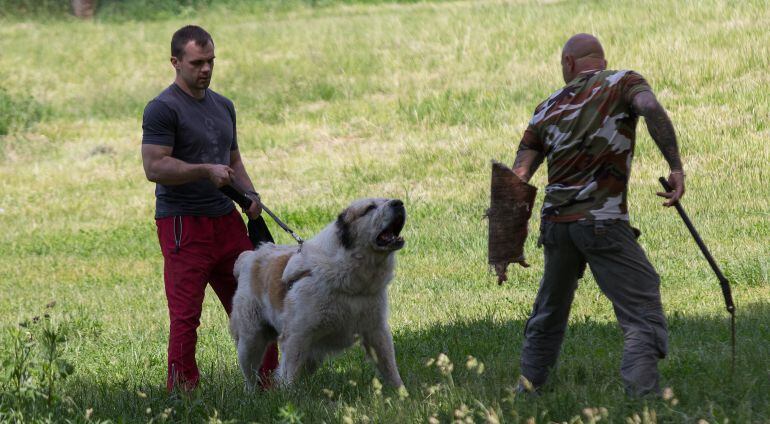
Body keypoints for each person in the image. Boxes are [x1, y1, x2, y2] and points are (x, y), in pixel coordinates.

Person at [511, 33, 685, 396]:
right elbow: (651, 108)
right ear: (601, 61)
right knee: (641, 304)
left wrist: (504, 248)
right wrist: (676, 169)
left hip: (557, 228)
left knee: (550, 310)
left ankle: (528, 388)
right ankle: (645, 398)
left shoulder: (545, 108)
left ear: (569, 64)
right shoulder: (624, 82)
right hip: (602, 222)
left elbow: (518, 177)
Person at [141, 25, 278, 392]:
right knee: (186, 315)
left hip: (227, 222)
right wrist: (203, 170)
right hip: (183, 225)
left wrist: (250, 195)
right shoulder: (162, 108)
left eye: (211, 61)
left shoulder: (223, 106)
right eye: (197, 62)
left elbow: (233, 158)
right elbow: (154, 167)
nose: (206, 69)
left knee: (256, 304)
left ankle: (268, 381)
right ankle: (183, 391)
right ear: (175, 62)